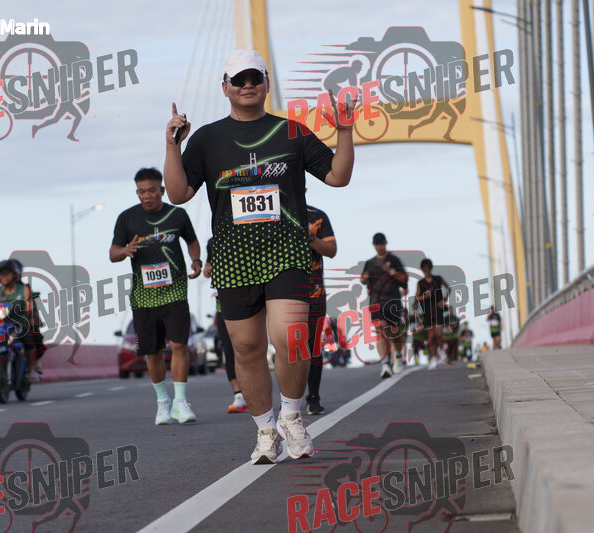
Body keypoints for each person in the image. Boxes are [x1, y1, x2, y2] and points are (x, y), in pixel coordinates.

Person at [164, 49, 355, 464]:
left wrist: (344, 131)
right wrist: (172, 146)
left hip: (287, 251)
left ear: (267, 83)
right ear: (225, 87)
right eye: (239, 79)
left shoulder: (292, 132)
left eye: (255, 77)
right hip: (234, 257)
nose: (248, 84)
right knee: (247, 349)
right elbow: (178, 194)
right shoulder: (207, 139)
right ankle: (266, 431)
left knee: (291, 338)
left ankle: (292, 416)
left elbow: (337, 177)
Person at [109, 168, 202, 425]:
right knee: (153, 351)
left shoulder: (177, 215)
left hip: (175, 292)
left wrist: (196, 260)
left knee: (180, 345)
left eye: (151, 190)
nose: (147, 196)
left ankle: (181, 402)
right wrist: (125, 250)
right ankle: (163, 402)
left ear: (161, 190)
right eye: (141, 192)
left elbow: (192, 241)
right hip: (144, 298)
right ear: (137, 193)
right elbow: (113, 253)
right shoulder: (127, 219)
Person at [203, 238, 248, 414]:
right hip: (222, 307)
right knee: (229, 351)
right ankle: (238, 395)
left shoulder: (245, 235)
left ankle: (253, 391)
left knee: (247, 349)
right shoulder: (213, 242)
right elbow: (207, 270)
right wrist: (207, 269)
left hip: (247, 302)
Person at [0, 259, 38, 385]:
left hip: (18, 324)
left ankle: (31, 370)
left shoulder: (24, 289)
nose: (4, 277)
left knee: (29, 339)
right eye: (2, 275)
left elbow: (29, 306)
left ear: (15, 275)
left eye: (7, 274)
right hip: (0, 326)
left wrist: (21, 309)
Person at [360, 233, 408, 378]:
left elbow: (404, 279)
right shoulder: (370, 263)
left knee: (394, 332)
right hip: (376, 302)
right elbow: (363, 279)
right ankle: (386, 364)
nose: (379, 246)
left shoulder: (394, 260)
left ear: (385, 243)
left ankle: (398, 355)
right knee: (380, 330)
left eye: (381, 244)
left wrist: (391, 271)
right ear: (374, 245)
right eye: (377, 244)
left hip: (392, 301)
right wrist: (364, 279)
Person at [305, 202, 337, 415]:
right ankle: (289, 400)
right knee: (287, 346)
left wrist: (310, 237)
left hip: (314, 290)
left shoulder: (317, 216)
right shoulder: (271, 213)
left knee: (313, 345)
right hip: (282, 291)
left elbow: (332, 251)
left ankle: (313, 396)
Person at [416, 258, 450, 370]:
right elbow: (417, 297)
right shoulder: (420, 283)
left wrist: (444, 300)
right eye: (424, 269)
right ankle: (434, 358)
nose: (426, 271)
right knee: (431, 336)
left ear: (431, 268)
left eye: (428, 269)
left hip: (438, 309)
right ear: (422, 270)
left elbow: (448, 288)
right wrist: (424, 296)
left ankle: (441, 350)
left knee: (439, 333)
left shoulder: (438, 279)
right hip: (427, 311)